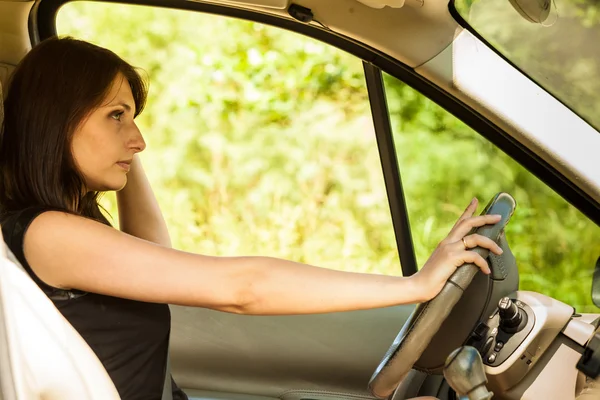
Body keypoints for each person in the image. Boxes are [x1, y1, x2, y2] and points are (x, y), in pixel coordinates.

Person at [0, 37, 503, 400]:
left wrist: (123, 148)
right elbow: (243, 287)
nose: (139, 137)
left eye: (135, 117)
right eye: (117, 115)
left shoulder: (69, 229)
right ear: (57, 118)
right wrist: (416, 285)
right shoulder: (47, 233)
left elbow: (159, 255)